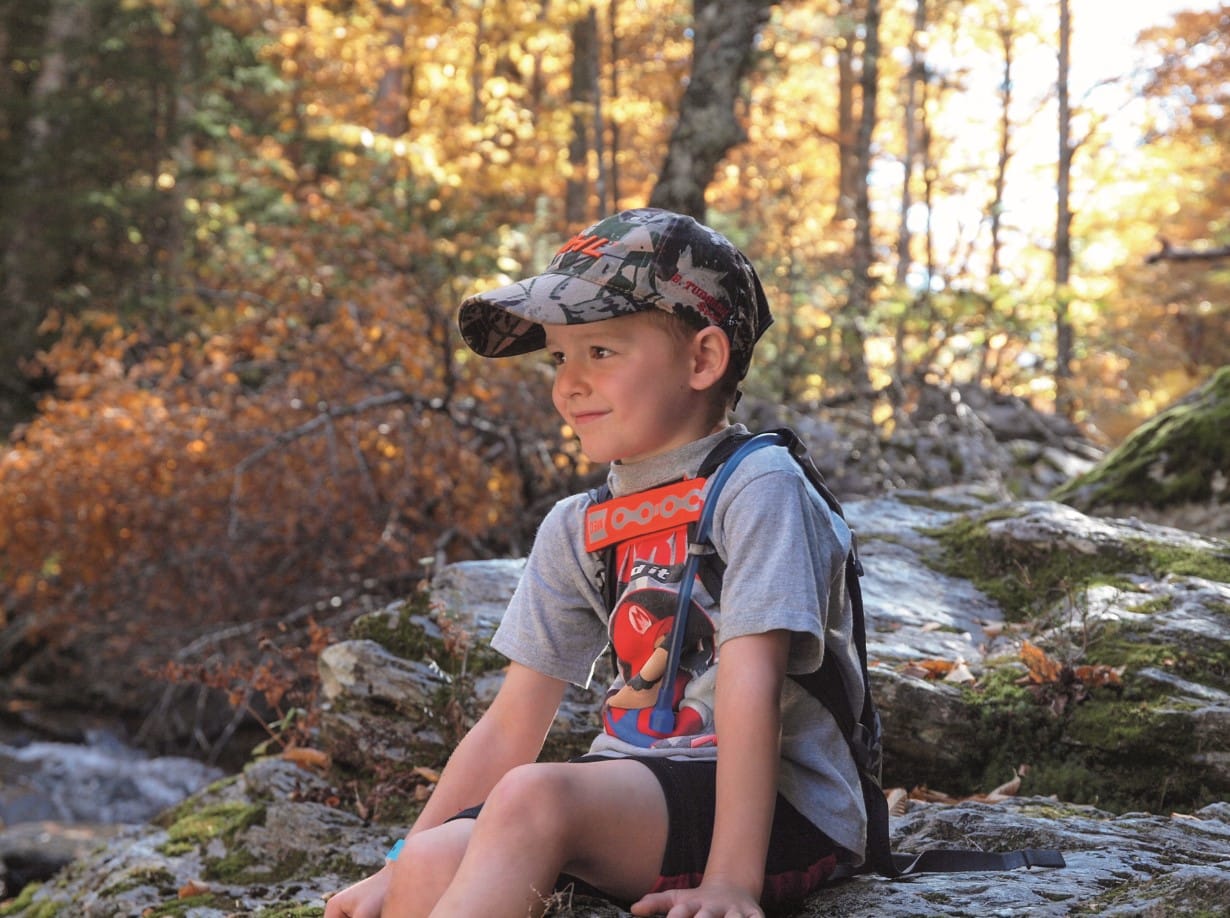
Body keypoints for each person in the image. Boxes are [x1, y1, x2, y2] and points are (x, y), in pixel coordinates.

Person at [323, 207, 867, 918]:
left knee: (533, 795)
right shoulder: (578, 525)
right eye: (558, 357)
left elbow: (751, 685)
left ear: (704, 359)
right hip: (637, 792)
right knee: (428, 859)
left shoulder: (759, 486)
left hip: (784, 813)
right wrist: (392, 869)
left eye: (600, 353)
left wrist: (732, 882)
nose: (567, 385)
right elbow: (512, 722)